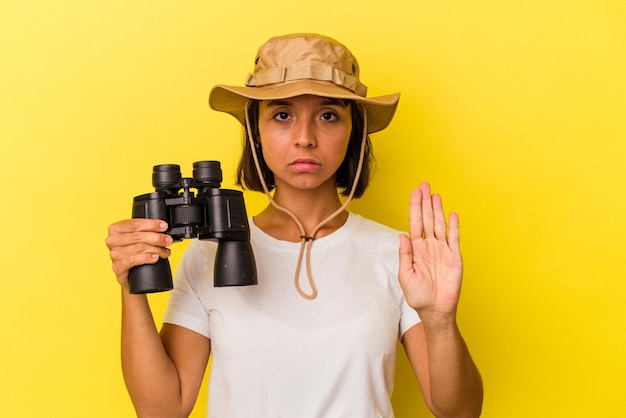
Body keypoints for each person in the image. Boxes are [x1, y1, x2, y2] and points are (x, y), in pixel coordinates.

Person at [106, 33, 483, 418]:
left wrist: (440, 321)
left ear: (354, 132)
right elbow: (162, 411)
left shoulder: (397, 255)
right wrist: (131, 286)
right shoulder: (207, 255)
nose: (305, 139)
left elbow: (458, 412)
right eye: (282, 115)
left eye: (328, 115)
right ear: (256, 132)